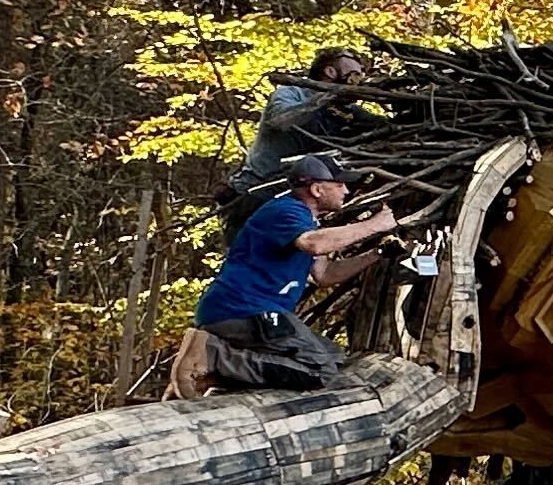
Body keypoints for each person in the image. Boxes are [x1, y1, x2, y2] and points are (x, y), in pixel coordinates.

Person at [169, 154, 400, 397]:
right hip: (243, 311)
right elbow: (314, 245)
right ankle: (213, 356)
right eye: (339, 184)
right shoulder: (285, 211)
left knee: (335, 358)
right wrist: (375, 225)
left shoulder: (307, 222)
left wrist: (378, 253)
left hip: (255, 314)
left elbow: (324, 275)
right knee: (321, 371)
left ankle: (213, 379)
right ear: (317, 189)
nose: (346, 190)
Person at [235, 46, 374, 194]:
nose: (360, 77)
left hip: (301, 193)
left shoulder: (351, 111)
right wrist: (325, 99)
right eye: (355, 72)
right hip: (257, 188)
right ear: (330, 71)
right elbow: (281, 121)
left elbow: (383, 126)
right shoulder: (291, 93)